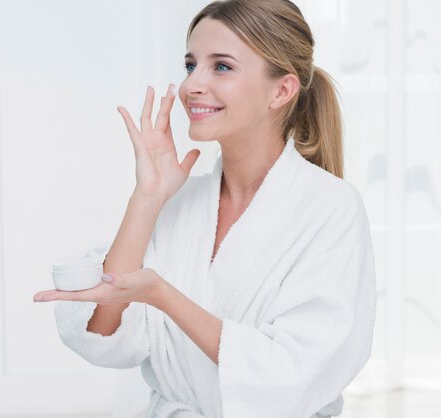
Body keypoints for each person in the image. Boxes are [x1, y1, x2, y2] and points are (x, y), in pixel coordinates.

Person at [33, 1, 376, 417]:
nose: (192, 85)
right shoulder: (179, 203)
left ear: (281, 90)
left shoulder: (330, 208)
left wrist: (163, 295)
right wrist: (147, 197)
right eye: (190, 65)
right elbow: (103, 334)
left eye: (222, 67)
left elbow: (293, 371)